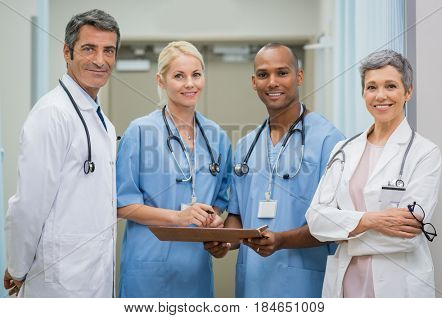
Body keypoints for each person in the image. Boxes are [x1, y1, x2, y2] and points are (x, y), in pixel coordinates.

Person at [205, 43, 345, 297]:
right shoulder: (247, 146)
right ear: (253, 82)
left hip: (305, 285)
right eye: (263, 74)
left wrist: (281, 240)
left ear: (299, 76)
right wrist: (224, 240)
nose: (272, 82)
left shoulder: (329, 140)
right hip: (253, 285)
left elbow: (336, 222)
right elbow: (237, 216)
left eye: (282, 73)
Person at [305, 49, 441, 298]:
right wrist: (372, 220)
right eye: (371, 87)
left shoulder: (425, 153)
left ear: (408, 92)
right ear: (363, 93)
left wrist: (344, 233)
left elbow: (407, 237)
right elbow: (316, 220)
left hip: (399, 286)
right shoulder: (344, 149)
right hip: (346, 286)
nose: (380, 96)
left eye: (391, 86)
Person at [3, 9, 120, 297]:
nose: (99, 60)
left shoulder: (104, 124)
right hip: (58, 280)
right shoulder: (52, 113)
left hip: (94, 276)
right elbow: (28, 205)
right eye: (89, 48)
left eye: (109, 50)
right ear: (67, 52)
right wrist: (17, 267)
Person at [116, 41, 232, 298]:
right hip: (147, 268)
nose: (190, 83)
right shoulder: (139, 132)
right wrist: (178, 218)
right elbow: (121, 204)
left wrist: (215, 221)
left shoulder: (217, 137)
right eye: (179, 76)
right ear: (161, 80)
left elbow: (221, 200)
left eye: (196, 75)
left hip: (195, 270)